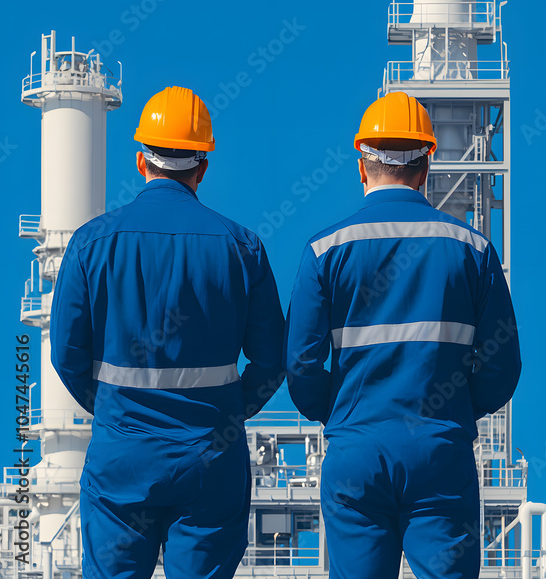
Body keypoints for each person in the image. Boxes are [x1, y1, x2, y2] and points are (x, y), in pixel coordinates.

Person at [50, 85, 285, 579]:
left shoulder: (92, 244)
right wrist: (227, 412)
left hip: (122, 457)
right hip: (209, 456)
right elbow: (271, 360)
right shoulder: (242, 247)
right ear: (203, 166)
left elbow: (67, 355)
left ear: (142, 162)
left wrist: (115, 410)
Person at [284, 91, 520, 579]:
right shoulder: (473, 250)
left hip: (358, 452)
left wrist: (345, 413)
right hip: (439, 452)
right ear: (426, 166)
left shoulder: (326, 250)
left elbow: (302, 366)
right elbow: (502, 364)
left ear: (361, 165)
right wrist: (452, 411)